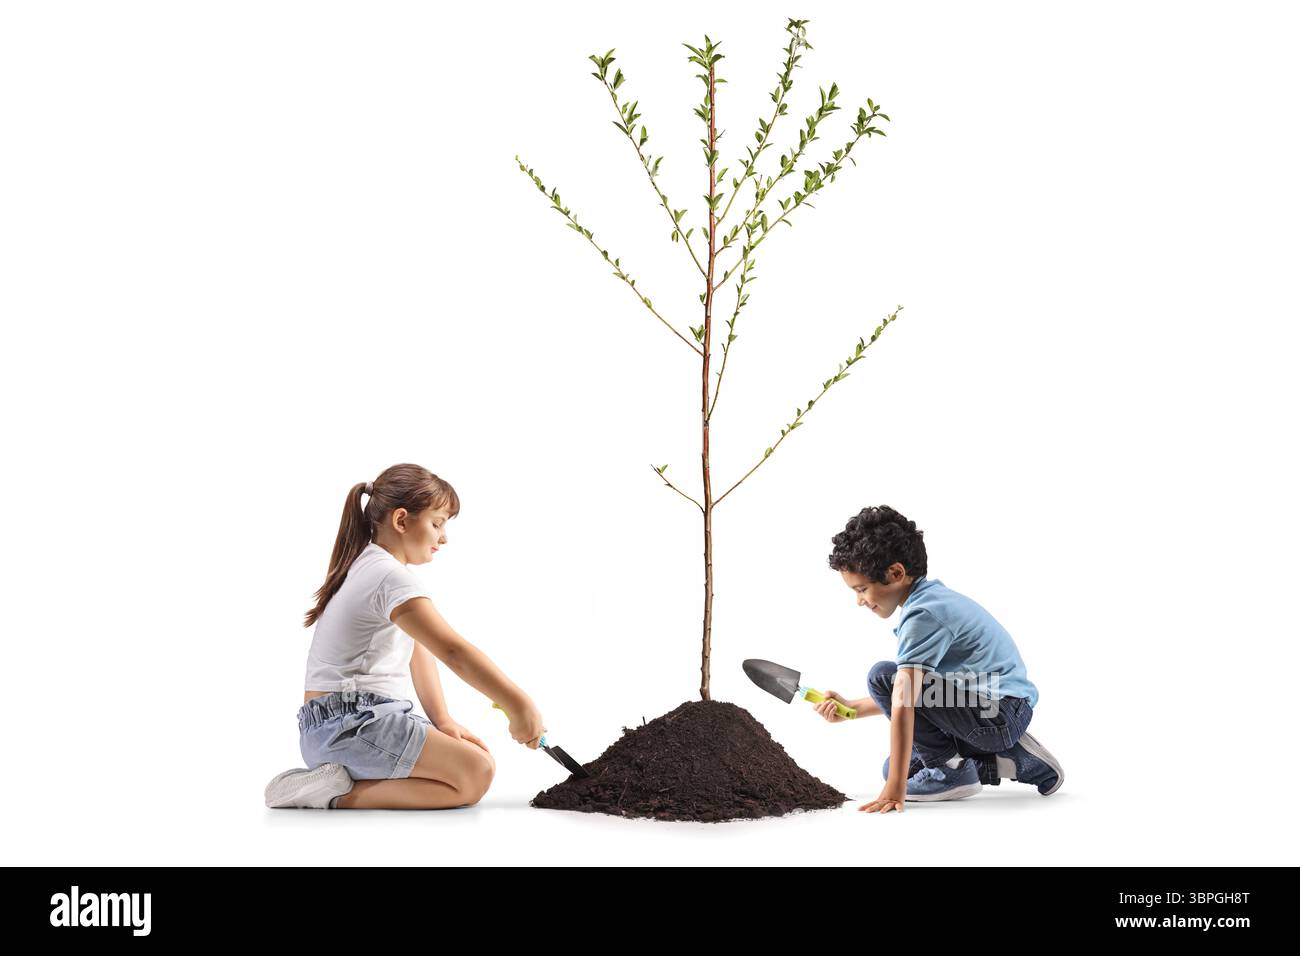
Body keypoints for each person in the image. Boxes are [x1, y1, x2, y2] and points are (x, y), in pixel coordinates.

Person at [264, 463, 546, 810]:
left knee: (470, 760)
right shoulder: (388, 577)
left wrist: (442, 720)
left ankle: (331, 782)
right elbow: (453, 651)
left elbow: (420, 651)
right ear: (401, 521)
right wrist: (519, 705)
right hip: (350, 725)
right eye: (437, 523)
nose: (443, 538)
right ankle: (332, 794)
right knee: (475, 772)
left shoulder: (367, 565)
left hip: (336, 724)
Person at [815, 505, 1063, 814]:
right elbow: (920, 693)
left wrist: (895, 789)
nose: (859, 601)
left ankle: (950, 771)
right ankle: (1018, 760)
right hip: (997, 710)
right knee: (897, 766)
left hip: (996, 713)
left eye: (862, 589)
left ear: (895, 573)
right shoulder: (930, 599)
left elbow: (903, 698)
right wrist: (851, 708)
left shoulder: (923, 614)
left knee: (882, 676)